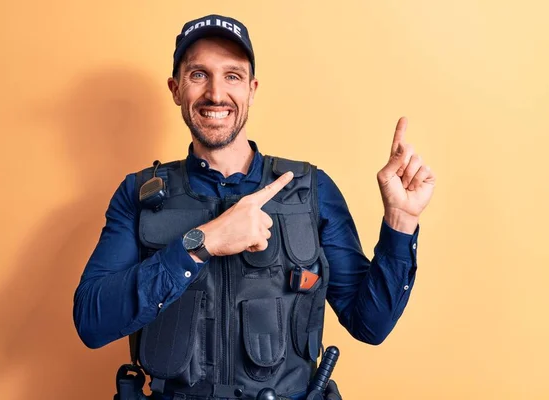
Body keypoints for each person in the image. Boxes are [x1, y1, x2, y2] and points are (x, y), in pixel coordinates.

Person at [73, 14, 436, 400]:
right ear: (176, 88)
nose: (216, 94)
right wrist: (200, 244)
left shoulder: (311, 190)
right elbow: (92, 322)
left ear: (252, 88)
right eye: (198, 74)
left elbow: (371, 324)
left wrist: (401, 222)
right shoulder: (138, 194)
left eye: (232, 76)